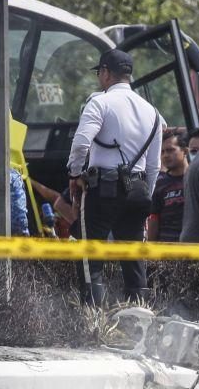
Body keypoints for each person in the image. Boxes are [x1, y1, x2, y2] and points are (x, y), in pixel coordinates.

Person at [67, 49, 164, 305]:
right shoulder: (153, 113)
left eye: (100, 72)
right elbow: (154, 165)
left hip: (103, 190)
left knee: (91, 258)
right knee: (134, 260)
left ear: (106, 73)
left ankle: (93, 323)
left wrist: (75, 173)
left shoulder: (99, 102)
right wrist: (145, 193)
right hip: (139, 189)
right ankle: (137, 322)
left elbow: (80, 145)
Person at [148, 128, 188, 242]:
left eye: (170, 150)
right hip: (166, 249)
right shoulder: (159, 183)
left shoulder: (196, 179)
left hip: (193, 246)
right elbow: (154, 219)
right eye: (162, 151)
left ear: (185, 151)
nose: (165, 155)